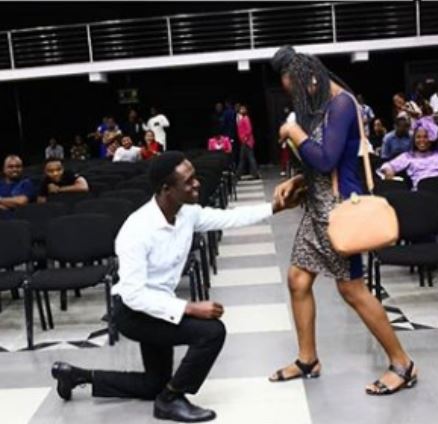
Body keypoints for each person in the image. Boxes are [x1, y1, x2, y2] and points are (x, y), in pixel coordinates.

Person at [50, 151, 303, 423]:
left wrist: (275, 207)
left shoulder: (186, 214)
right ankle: (170, 400)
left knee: (154, 383)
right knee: (211, 332)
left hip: (159, 306)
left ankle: (77, 376)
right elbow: (134, 294)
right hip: (134, 314)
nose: (197, 184)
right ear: (166, 189)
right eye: (188, 181)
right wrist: (189, 308)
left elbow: (227, 218)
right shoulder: (137, 230)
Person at [269, 46, 416, 396]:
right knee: (298, 280)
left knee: (351, 288)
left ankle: (403, 364)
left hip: (339, 211)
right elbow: (320, 166)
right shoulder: (321, 107)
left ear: (312, 77)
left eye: (297, 88)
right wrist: (298, 180)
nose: (298, 97)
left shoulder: (342, 104)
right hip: (316, 208)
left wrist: (293, 131)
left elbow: (327, 159)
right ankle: (308, 360)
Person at [379, 126, 438, 190]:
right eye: (418, 137)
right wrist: (388, 170)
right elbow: (386, 166)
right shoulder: (408, 156)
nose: (422, 140)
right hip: (422, 191)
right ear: (414, 139)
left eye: (426, 137)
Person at [236, 104, 260, 180]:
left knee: (248, 158)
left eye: (243, 109)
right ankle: (239, 174)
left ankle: (240, 174)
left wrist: (245, 138)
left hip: (246, 141)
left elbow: (249, 129)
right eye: (241, 109)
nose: (242, 110)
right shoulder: (242, 119)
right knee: (245, 158)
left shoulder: (246, 118)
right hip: (244, 141)